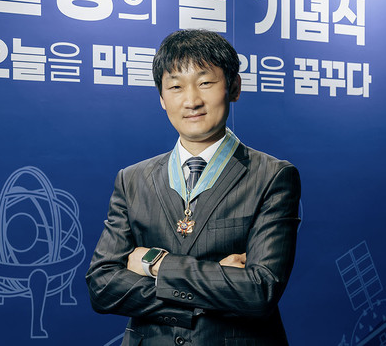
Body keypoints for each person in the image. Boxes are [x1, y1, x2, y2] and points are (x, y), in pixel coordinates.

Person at [86, 29, 301, 345]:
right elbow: (103, 286)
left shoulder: (273, 176)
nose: (191, 101)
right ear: (162, 98)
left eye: (205, 83)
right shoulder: (132, 179)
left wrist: (156, 264)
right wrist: (214, 283)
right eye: (175, 86)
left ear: (234, 87)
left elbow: (259, 291)